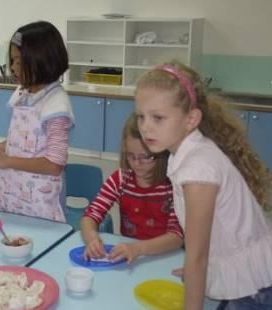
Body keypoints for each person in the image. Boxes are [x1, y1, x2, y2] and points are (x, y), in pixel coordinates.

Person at [135, 61, 272, 309]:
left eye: (158, 117)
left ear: (191, 119)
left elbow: (197, 256)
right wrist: (195, 267)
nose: (146, 127)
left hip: (255, 288)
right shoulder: (186, 154)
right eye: (141, 117)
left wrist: (195, 272)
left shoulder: (198, 170)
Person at [0, 21, 74, 222]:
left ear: (42, 60)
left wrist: (5, 161)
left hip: (39, 201)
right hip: (10, 190)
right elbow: (23, 140)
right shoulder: (23, 93)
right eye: (12, 61)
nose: (13, 68)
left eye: (19, 61)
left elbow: (54, 164)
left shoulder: (56, 105)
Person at [80, 113, 183, 264]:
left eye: (145, 157)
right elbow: (91, 214)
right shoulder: (122, 178)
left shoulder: (172, 184)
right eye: (130, 155)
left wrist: (138, 248)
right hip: (130, 257)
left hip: (164, 256)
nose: (136, 163)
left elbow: (177, 237)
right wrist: (92, 238)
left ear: (162, 152)